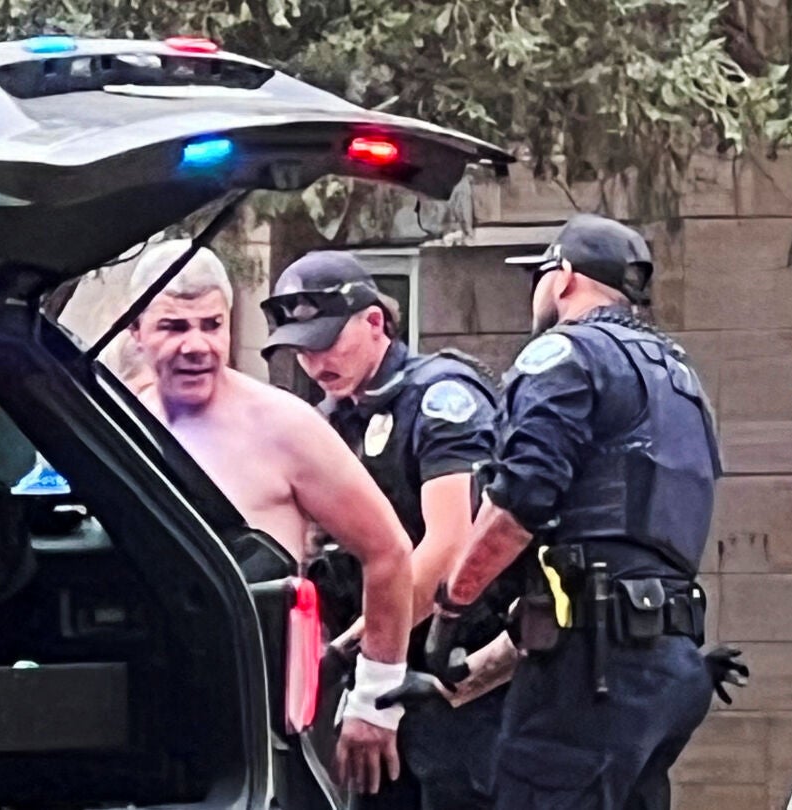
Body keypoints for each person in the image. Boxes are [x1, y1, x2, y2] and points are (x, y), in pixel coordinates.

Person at [426, 213, 724, 809]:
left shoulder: (565, 353)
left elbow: (518, 505)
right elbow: (592, 578)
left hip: (593, 676)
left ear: (563, 277)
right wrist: (456, 684)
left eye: (538, 277)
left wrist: (451, 607)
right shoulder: (678, 376)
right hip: (668, 667)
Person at [124, 239, 416, 796]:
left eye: (212, 325)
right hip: (150, 708)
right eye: (174, 327)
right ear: (136, 331)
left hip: (265, 719)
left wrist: (376, 698)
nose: (196, 345)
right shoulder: (119, 423)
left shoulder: (285, 426)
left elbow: (389, 551)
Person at [259, 251, 524, 810]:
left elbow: (450, 546)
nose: (315, 361)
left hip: (455, 674)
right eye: (302, 349)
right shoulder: (333, 419)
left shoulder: (440, 398)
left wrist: (350, 651)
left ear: (375, 321)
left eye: (327, 341)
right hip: (380, 671)